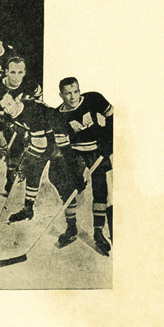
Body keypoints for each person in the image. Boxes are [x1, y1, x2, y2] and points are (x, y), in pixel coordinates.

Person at [50, 77, 114, 256]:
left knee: (100, 190)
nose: (73, 97)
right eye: (68, 93)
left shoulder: (93, 99)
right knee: (71, 188)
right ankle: (71, 229)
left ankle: (98, 232)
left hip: (97, 150)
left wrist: (109, 140)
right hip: (75, 153)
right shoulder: (57, 116)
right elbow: (64, 148)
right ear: (61, 95)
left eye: (76, 91)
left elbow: (112, 115)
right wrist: (76, 174)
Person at [0, 56, 42, 195]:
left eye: (20, 72)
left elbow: (40, 98)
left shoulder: (30, 83)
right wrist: (1, 143)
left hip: (22, 118)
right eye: (13, 72)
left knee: (21, 149)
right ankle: (10, 175)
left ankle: (15, 177)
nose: (16, 77)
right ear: (6, 72)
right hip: (3, 120)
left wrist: (31, 104)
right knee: (9, 151)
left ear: (24, 72)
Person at [0, 94, 58, 223]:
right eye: (4, 107)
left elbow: (41, 146)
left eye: (9, 104)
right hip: (39, 137)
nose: (8, 109)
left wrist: (23, 165)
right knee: (32, 172)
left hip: (56, 139)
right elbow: (18, 126)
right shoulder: (11, 112)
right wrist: (24, 133)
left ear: (17, 99)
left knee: (46, 172)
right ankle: (28, 209)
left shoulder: (32, 114)